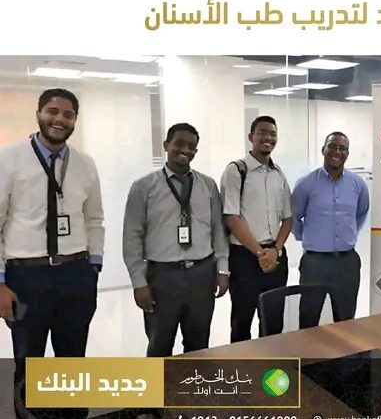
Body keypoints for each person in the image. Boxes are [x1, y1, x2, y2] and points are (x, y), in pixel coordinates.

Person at [0, 88, 105, 418]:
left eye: (68, 114)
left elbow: (94, 218)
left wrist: (93, 267)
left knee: (73, 359)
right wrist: (0, 283)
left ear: (75, 120)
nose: (59, 119)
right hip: (25, 277)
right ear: (39, 114)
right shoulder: (8, 159)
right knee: (29, 363)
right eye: (52, 111)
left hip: (75, 275)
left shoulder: (85, 164)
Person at [122, 123, 229, 357]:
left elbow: (218, 230)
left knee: (198, 346)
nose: (185, 150)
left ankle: (193, 382)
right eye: (179, 143)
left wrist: (222, 269)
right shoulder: (143, 187)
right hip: (162, 277)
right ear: (166, 145)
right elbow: (132, 237)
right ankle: (158, 383)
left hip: (202, 275)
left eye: (192, 146)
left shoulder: (208, 185)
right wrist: (139, 283)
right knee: (159, 346)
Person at [221, 116, 292, 342]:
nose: (268, 138)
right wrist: (261, 254)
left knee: (273, 322)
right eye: (262, 132)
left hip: (275, 256)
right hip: (245, 258)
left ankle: (270, 363)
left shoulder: (278, 173)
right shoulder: (236, 171)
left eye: (273, 134)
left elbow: (288, 219)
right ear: (251, 137)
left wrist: (276, 250)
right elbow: (231, 218)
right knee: (242, 322)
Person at [292, 132, 369, 327]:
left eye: (342, 148)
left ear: (347, 154)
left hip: (347, 263)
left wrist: (347, 235)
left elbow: (360, 214)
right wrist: (307, 237)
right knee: (308, 319)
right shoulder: (306, 183)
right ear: (323, 149)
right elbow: (293, 217)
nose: (337, 151)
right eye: (332, 146)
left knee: (346, 321)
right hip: (314, 263)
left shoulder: (358, 184)